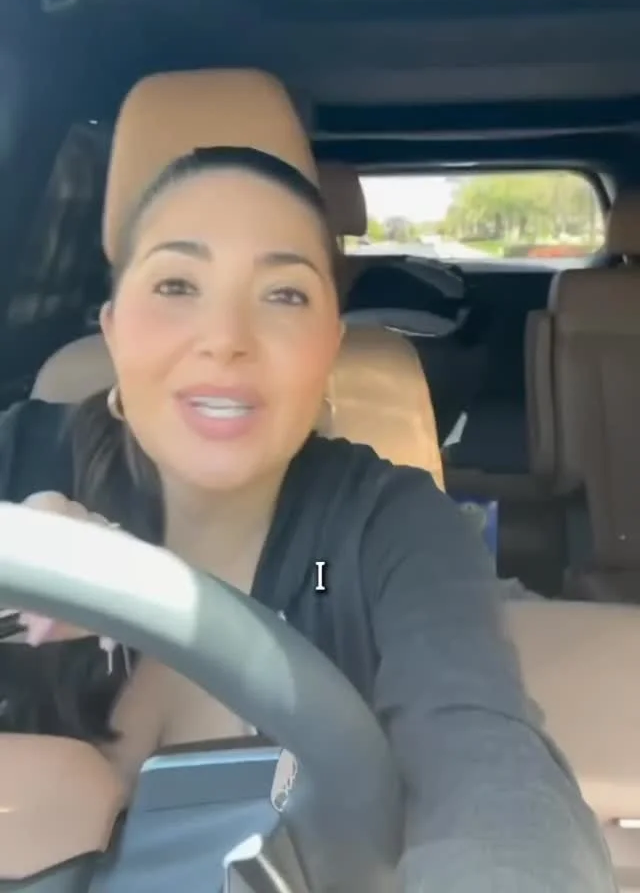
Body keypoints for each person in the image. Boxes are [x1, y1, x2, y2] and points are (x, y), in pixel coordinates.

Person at [0, 143, 615, 893]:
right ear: (113, 325)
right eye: (176, 284)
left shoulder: (384, 527)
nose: (226, 338)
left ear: (330, 344)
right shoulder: (18, 461)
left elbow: (484, 758)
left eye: (285, 295)